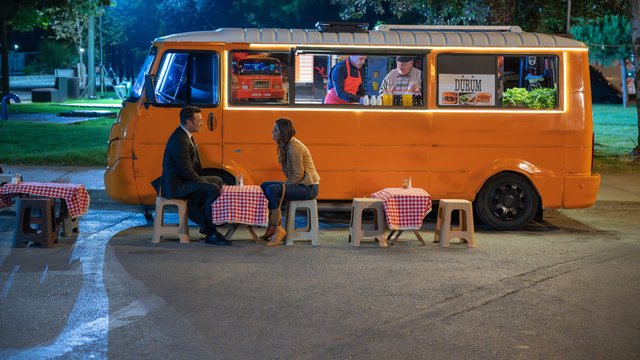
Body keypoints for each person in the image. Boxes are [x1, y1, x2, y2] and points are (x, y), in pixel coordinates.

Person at [151, 106, 231, 246]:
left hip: (183, 180)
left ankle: (207, 225)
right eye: (199, 121)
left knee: (217, 180)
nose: (202, 123)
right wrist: (203, 183)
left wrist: (203, 181)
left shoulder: (185, 135)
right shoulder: (179, 139)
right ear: (189, 123)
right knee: (212, 189)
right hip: (176, 185)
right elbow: (186, 171)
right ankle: (211, 233)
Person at [260, 118, 320, 246]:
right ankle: (272, 225)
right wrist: (284, 185)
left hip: (308, 188)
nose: (272, 131)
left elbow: (297, 176)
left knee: (272, 189)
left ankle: (277, 229)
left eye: (275, 130)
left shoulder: (294, 147)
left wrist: (283, 186)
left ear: (283, 132)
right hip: (300, 184)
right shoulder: (285, 146)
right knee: (265, 185)